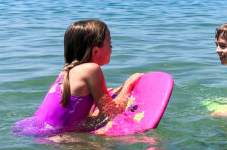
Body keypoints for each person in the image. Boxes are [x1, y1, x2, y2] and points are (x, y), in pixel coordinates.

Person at [14, 20, 142, 135]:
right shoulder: (91, 69)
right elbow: (113, 114)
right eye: (110, 43)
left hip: (30, 127)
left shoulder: (66, 72)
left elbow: (75, 110)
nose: (111, 48)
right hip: (58, 137)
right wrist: (128, 85)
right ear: (95, 51)